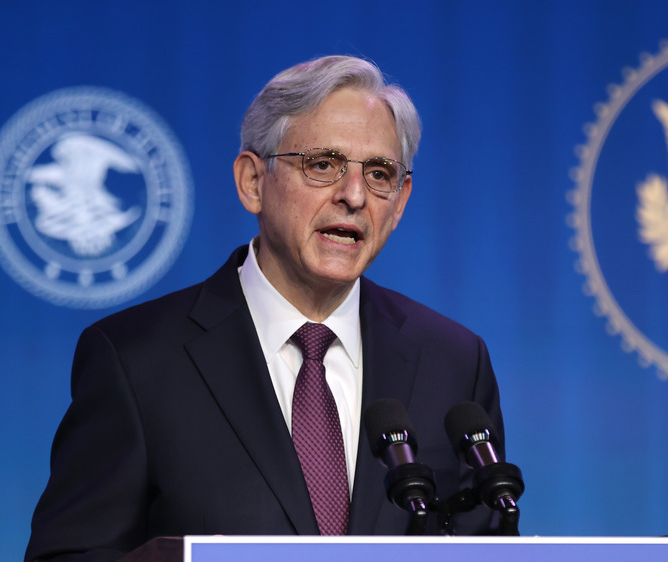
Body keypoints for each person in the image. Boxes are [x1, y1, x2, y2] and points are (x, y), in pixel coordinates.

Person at [25, 55, 506, 561]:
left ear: (400, 200)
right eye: (324, 165)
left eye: (380, 173)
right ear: (253, 182)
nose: (354, 196)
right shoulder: (137, 362)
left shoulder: (452, 362)